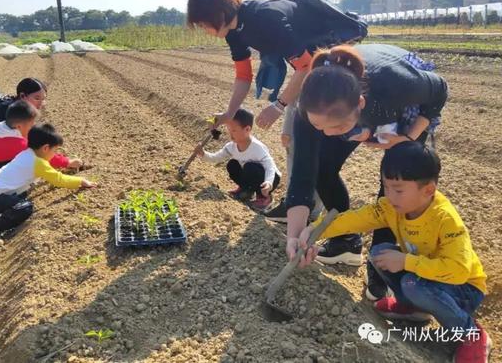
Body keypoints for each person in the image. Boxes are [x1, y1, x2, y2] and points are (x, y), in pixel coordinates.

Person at [273, 43, 448, 301]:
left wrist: (407, 138)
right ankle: (346, 243)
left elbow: (439, 91)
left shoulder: (397, 83)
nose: (330, 134)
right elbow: (302, 177)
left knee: (394, 186)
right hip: (357, 115)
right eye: (321, 127)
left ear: (360, 104)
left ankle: (381, 266)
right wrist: (295, 236)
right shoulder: (310, 112)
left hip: (401, 112)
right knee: (321, 167)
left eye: (338, 126)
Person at [296, 142, 491, 363]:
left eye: (398, 190)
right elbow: (356, 218)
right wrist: (315, 229)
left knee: (411, 283)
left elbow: (459, 270)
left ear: (428, 190)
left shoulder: (445, 220)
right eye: (386, 187)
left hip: (463, 288)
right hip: (424, 275)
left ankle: (471, 333)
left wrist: (407, 261)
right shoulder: (390, 207)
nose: (390, 196)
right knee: (379, 253)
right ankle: (414, 308)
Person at [187, 0, 366, 220]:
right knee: (291, 138)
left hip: (327, 62)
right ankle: (298, 203)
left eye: (203, 24)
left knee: (300, 136)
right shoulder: (235, 32)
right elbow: (243, 75)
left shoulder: (265, 18)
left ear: (218, 13)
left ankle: (306, 207)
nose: (204, 29)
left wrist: (279, 106)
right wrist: (230, 113)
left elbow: (305, 65)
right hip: (310, 65)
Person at [0, 124, 97, 247]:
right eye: (55, 151)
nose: (55, 154)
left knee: (18, 194)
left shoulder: (26, 153)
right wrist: (80, 181)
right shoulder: (39, 163)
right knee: (25, 207)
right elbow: (59, 179)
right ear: (46, 148)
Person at [195, 109, 280, 210]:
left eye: (234, 130)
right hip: (252, 174)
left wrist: (269, 182)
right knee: (232, 164)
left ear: (247, 129)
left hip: (270, 178)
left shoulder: (257, 147)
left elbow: (269, 166)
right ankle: (246, 191)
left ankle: (264, 197)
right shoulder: (231, 146)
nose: (231, 134)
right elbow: (215, 158)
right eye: (229, 130)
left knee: (250, 167)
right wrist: (203, 154)